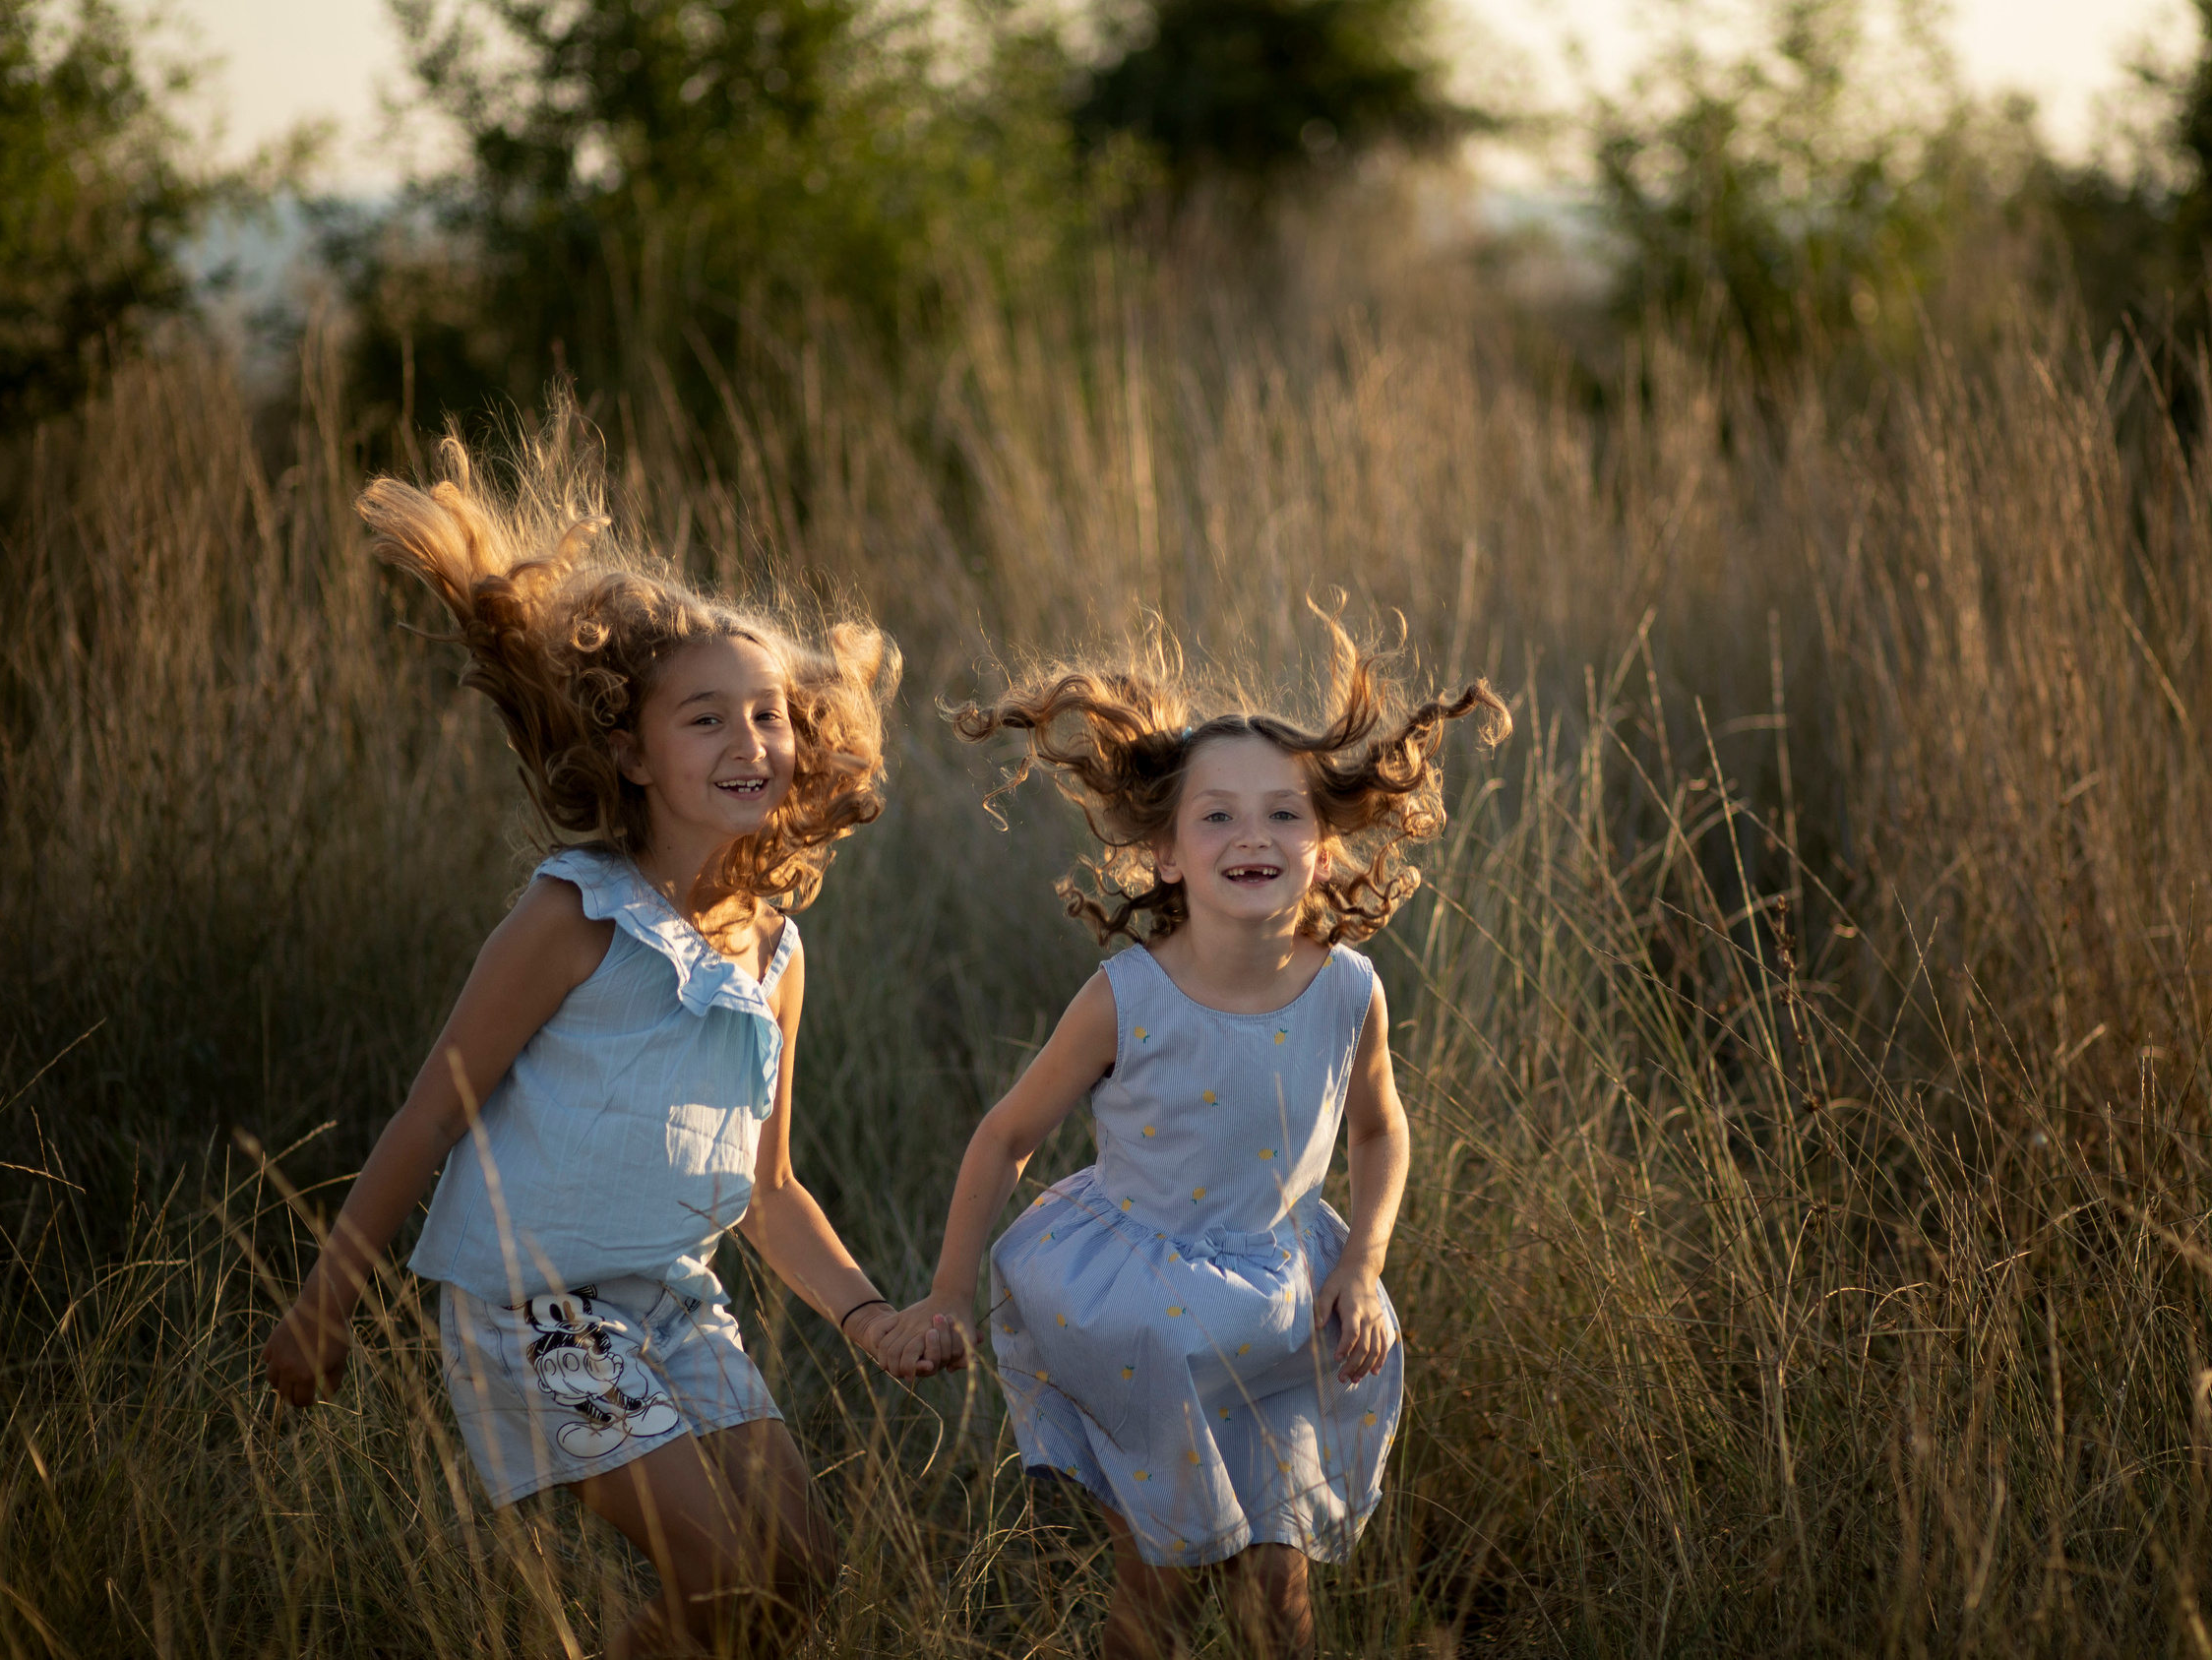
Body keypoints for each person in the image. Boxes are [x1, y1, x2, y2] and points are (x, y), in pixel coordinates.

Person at [261, 437, 913, 1657]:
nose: (748, 742)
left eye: (768, 716)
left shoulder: (775, 953)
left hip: (675, 1302)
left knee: (796, 1572)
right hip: (538, 1313)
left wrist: (867, 1315)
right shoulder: (576, 914)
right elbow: (431, 1111)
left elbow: (769, 1189)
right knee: (718, 1571)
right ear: (631, 752)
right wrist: (325, 1302)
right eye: (705, 719)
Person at [886, 622, 1506, 1659]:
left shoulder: (1348, 990)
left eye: (1283, 812)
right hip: (1147, 1318)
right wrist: (950, 1292)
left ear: (1321, 847)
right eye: (1217, 814)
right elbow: (1006, 1135)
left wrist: (1361, 1261)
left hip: (1285, 1307)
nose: (1251, 835)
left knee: (1278, 1595)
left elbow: (1379, 1128)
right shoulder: (1127, 997)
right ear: (1167, 853)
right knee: (1162, 1586)